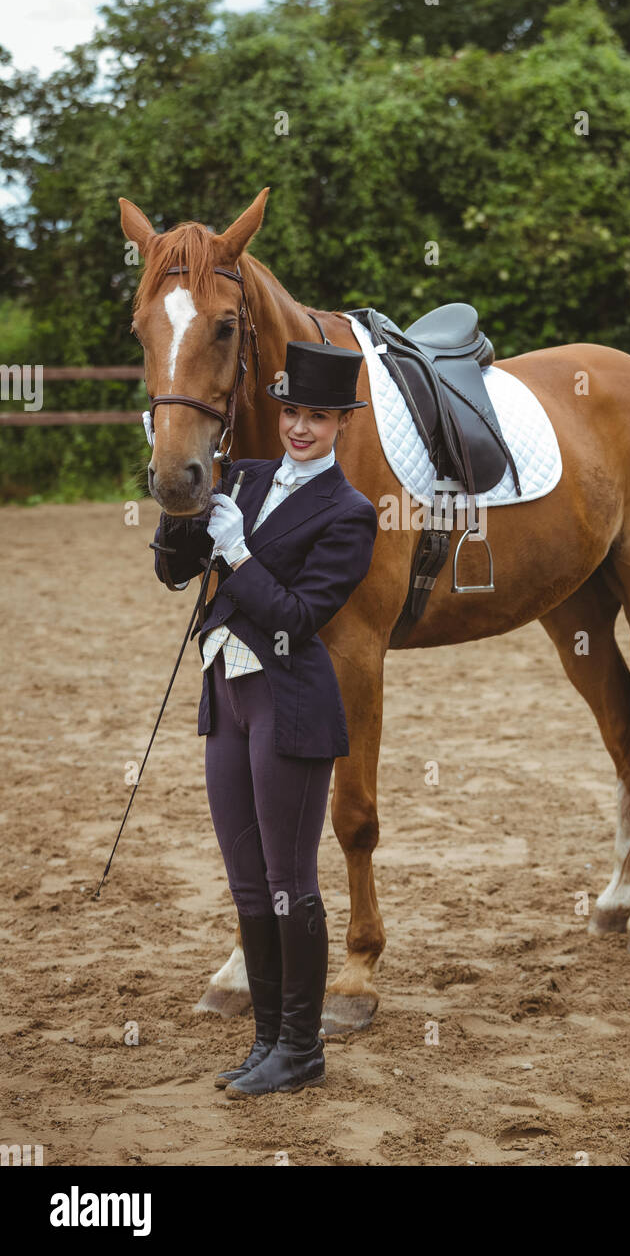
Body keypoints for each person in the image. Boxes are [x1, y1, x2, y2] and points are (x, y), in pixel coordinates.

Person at [151, 339, 378, 1098]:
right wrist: (180, 504)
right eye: (292, 413)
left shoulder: (349, 513)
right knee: (247, 883)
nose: (301, 428)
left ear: (341, 423)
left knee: (289, 881)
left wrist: (240, 555)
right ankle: (265, 1044)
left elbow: (300, 617)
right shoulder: (242, 477)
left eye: (318, 416)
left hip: (291, 704)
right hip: (227, 700)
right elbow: (173, 571)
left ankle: (302, 1048)